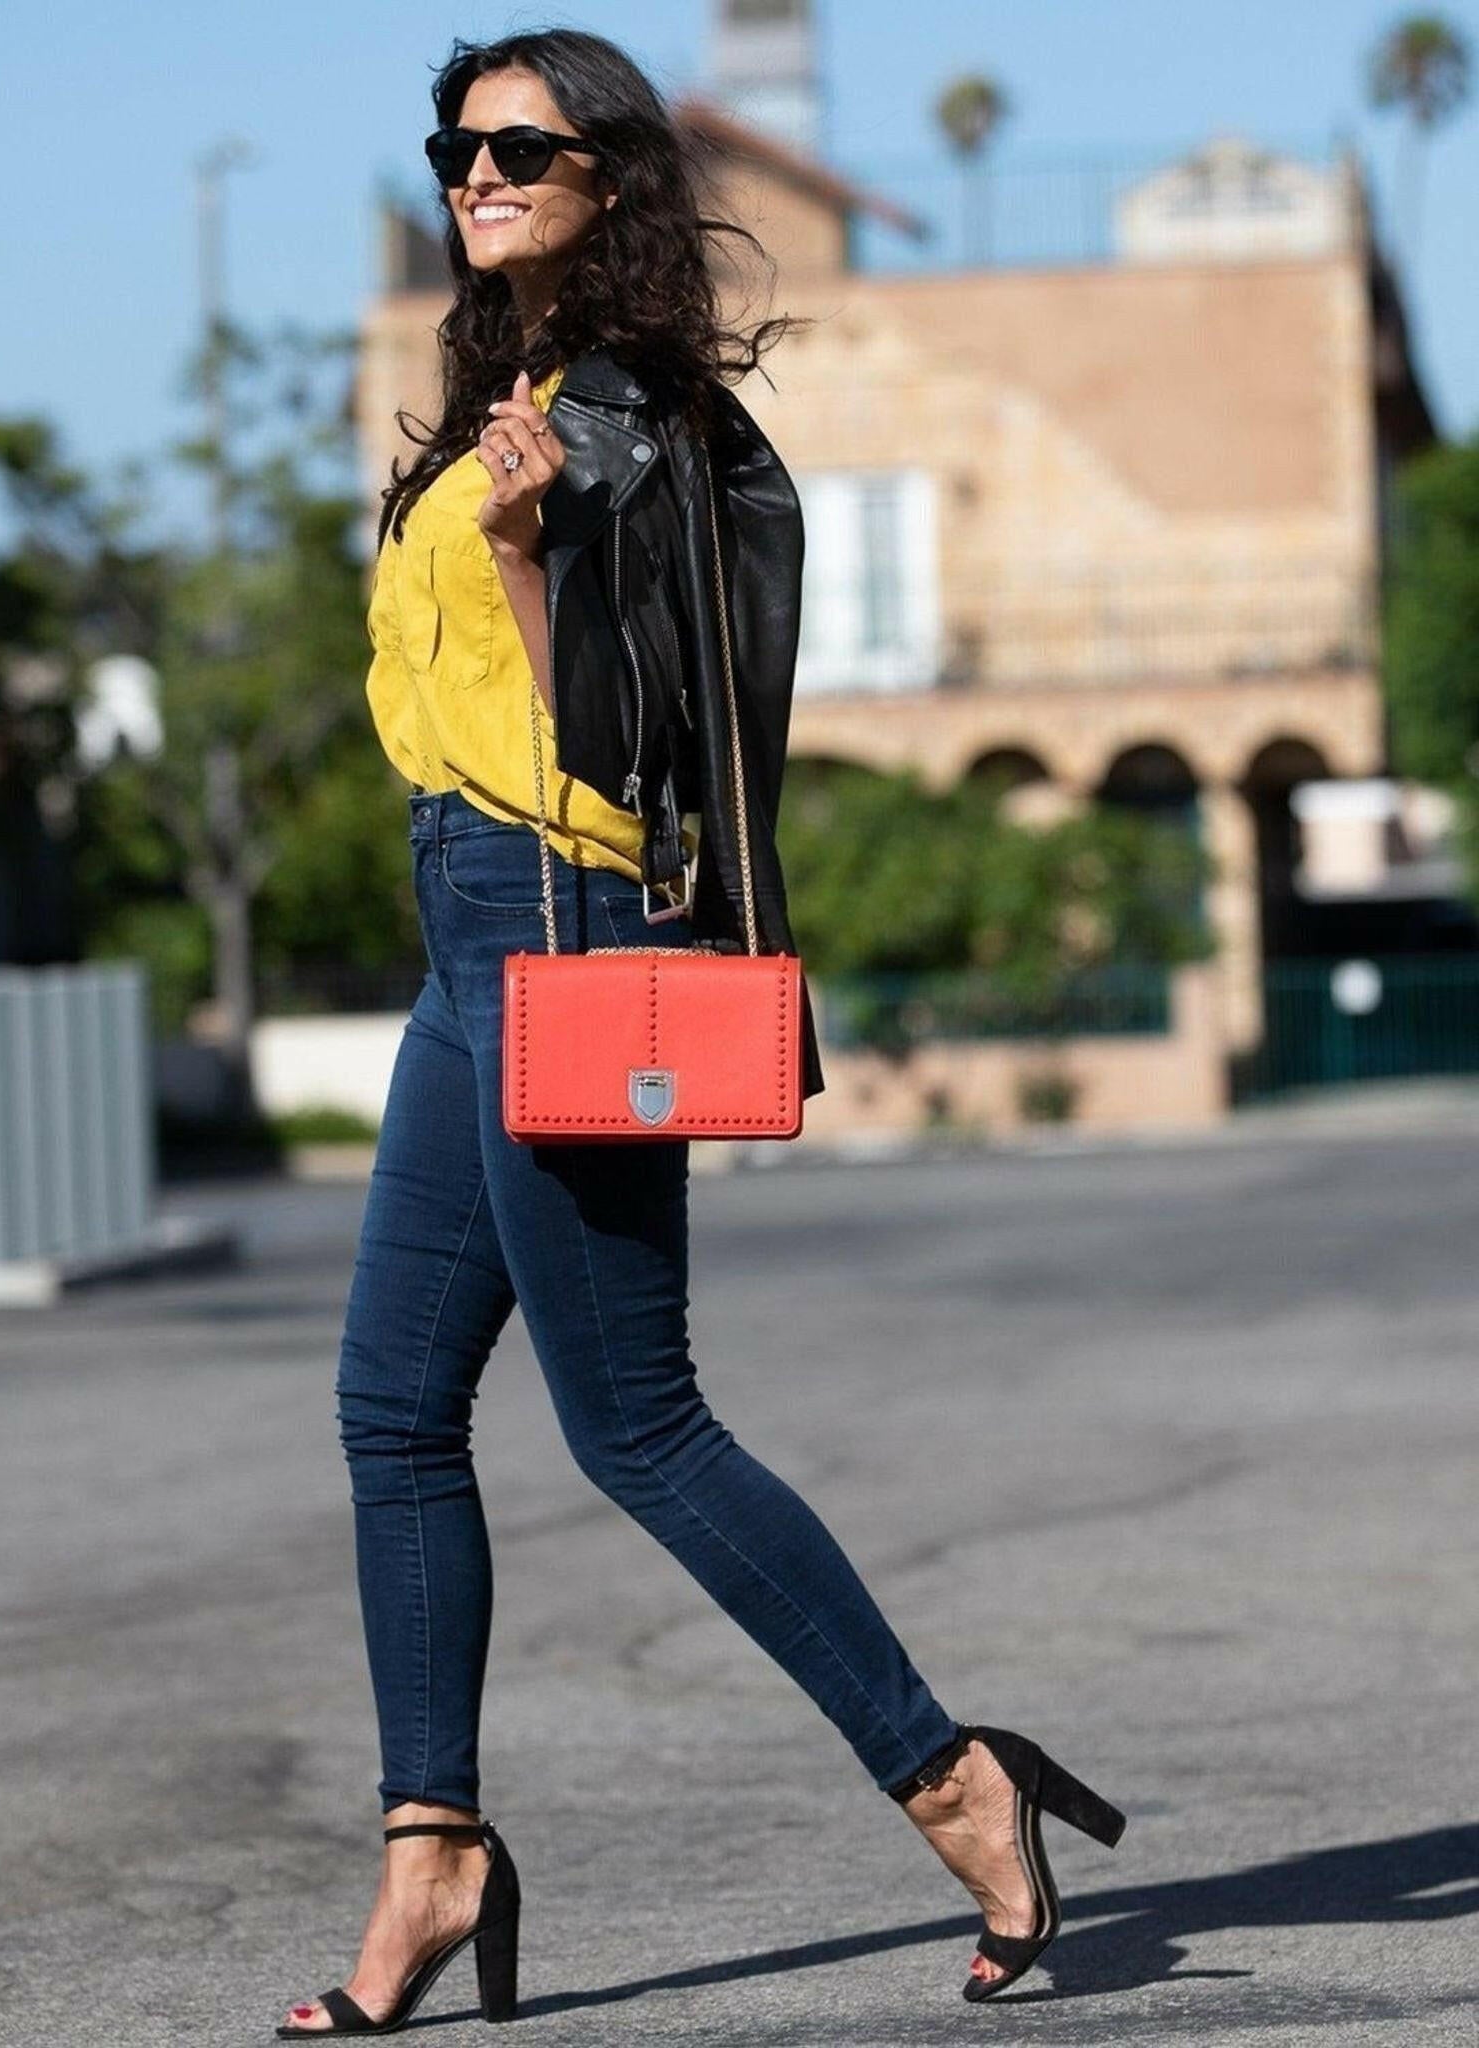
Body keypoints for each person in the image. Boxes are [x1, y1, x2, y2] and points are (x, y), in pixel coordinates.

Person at [277, 28, 1124, 2036]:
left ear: (607, 180)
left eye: (515, 147)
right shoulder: (499, 398)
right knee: (393, 1405)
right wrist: (478, 514)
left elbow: (639, 729)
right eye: (453, 148)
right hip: (452, 926)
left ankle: (951, 1777)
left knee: (632, 1420)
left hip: (557, 921)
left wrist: (515, 543)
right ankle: (432, 1850)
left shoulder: (625, 418)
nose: (472, 174)